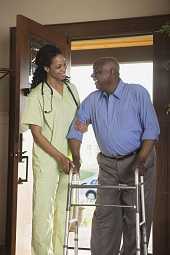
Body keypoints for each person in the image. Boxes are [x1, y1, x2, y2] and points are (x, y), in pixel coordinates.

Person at [67, 57, 160, 255]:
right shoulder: (93, 100)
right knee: (104, 214)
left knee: (136, 215)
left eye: (98, 72)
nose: (93, 76)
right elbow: (76, 130)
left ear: (113, 73)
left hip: (137, 159)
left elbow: (151, 131)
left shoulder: (137, 93)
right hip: (108, 164)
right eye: (93, 72)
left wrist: (140, 160)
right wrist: (76, 156)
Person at [21, 44, 80, 255]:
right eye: (58, 67)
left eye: (64, 65)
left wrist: (75, 157)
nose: (63, 69)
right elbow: (37, 135)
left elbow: (79, 123)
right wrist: (60, 157)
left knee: (64, 213)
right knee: (43, 212)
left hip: (70, 159)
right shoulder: (37, 94)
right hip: (47, 160)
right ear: (46, 68)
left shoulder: (72, 90)